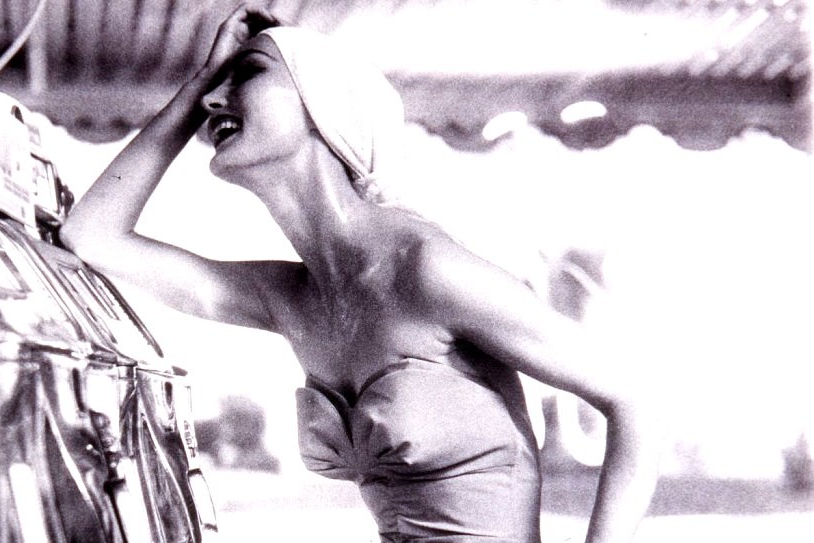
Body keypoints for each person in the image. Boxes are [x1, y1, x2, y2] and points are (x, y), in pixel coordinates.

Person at [61, 5, 660, 542]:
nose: (216, 99)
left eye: (248, 74)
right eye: (216, 86)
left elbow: (632, 400)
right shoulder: (291, 296)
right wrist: (195, 85)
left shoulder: (426, 270)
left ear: (325, 106)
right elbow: (92, 236)